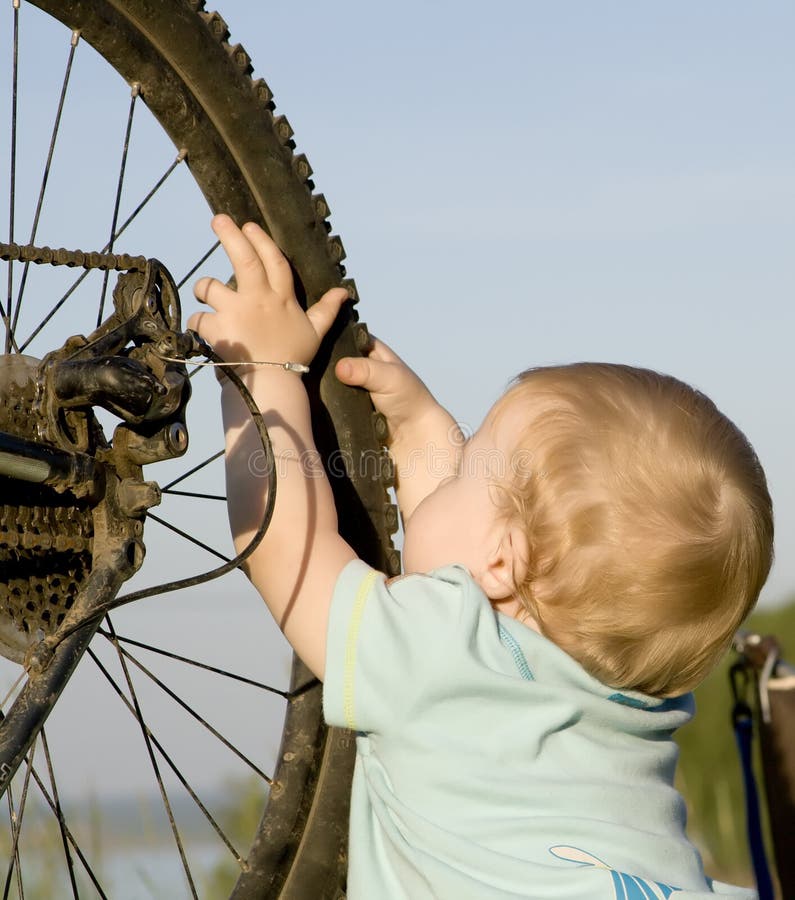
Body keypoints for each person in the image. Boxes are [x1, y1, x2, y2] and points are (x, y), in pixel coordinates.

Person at [190, 214, 773, 899]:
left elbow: (285, 549)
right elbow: (463, 545)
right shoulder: (639, 702)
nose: (452, 461)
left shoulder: (444, 653)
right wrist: (420, 425)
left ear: (502, 564)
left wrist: (267, 375)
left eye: (465, 463)